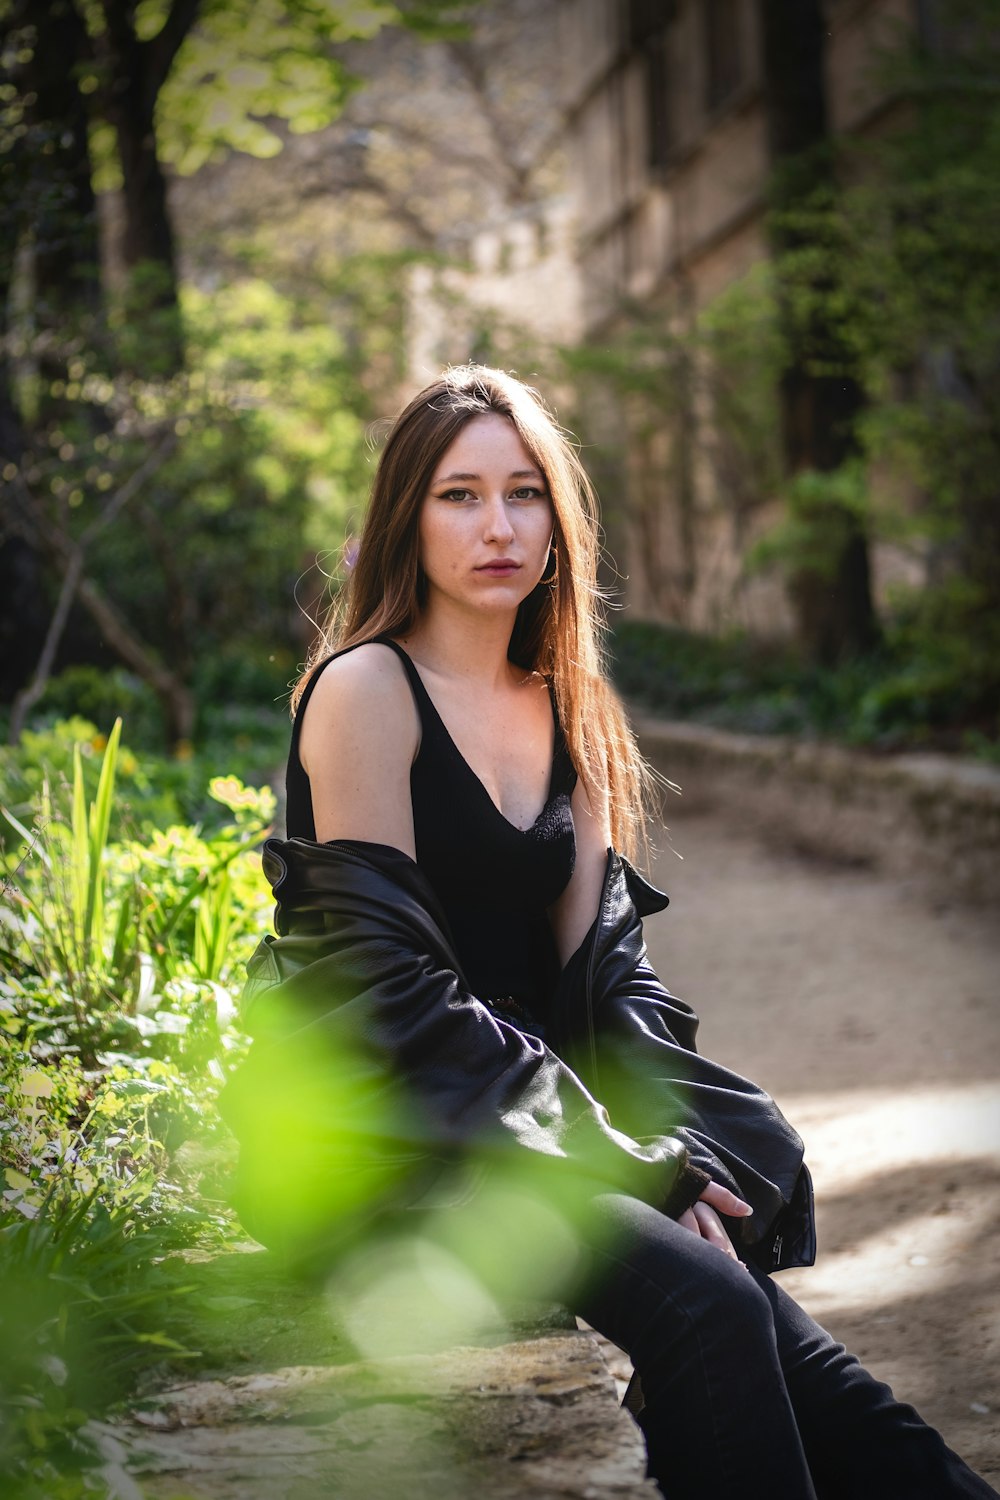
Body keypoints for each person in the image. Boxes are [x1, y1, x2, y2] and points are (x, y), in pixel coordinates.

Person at [220, 366, 997, 1499]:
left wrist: (666, 1144)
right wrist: (617, 1154)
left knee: (801, 1358)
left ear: (559, 520)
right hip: (404, 1127)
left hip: (536, 1117)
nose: (498, 526)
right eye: (460, 495)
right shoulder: (365, 690)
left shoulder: (560, 700)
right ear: (406, 517)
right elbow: (392, 994)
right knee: (714, 1303)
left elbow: (607, 980)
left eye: (525, 493)